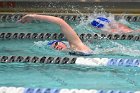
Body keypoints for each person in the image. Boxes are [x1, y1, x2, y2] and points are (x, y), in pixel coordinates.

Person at [18, 14, 93, 56]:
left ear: (63, 43)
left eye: (56, 43)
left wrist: (33, 16)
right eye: (55, 47)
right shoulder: (70, 53)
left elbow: (60, 21)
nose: (57, 46)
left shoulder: (76, 45)